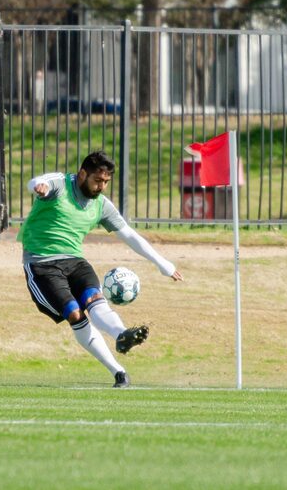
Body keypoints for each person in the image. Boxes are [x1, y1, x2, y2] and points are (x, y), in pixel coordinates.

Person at [18, 151, 183, 388]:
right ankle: (118, 371)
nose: (101, 187)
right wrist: (39, 186)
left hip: (76, 262)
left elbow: (128, 234)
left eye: (106, 182)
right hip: (42, 265)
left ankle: (122, 335)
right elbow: (35, 182)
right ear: (83, 174)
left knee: (95, 301)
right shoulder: (61, 185)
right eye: (98, 180)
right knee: (75, 313)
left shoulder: (102, 205)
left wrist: (162, 263)